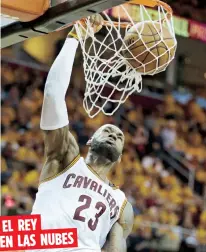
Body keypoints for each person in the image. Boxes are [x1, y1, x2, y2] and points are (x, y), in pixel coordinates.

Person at [29, 15, 134, 252]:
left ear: (119, 158)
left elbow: (116, 247)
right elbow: (54, 96)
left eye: (119, 138)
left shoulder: (122, 204)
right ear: (89, 140)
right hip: (42, 245)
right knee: (12, 235)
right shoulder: (66, 158)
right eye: (107, 130)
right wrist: (75, 36)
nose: (114, 135)